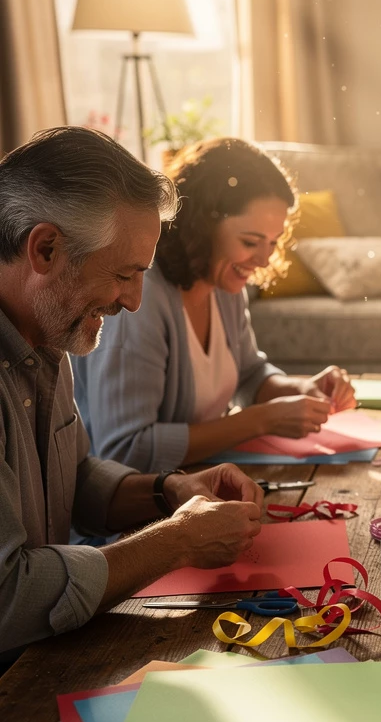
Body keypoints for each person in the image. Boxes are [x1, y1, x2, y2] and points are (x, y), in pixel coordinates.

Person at [0, 127, 264, 658]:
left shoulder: (49, 335)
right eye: (124, 274)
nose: (136, 302)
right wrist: (177, 540)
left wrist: (169, 489)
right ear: (45, 248)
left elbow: (74, 479)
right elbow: (8, 597)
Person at [72, 137, 356, 473]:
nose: (265, 260)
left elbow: (249, 375)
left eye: (273, 243)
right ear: (202, 227)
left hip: (200, 486)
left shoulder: (222, 283)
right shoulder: (139, 301)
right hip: (139, 519)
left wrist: (300, 389)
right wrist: (260, 421)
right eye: (250, 242)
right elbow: (124, 450)